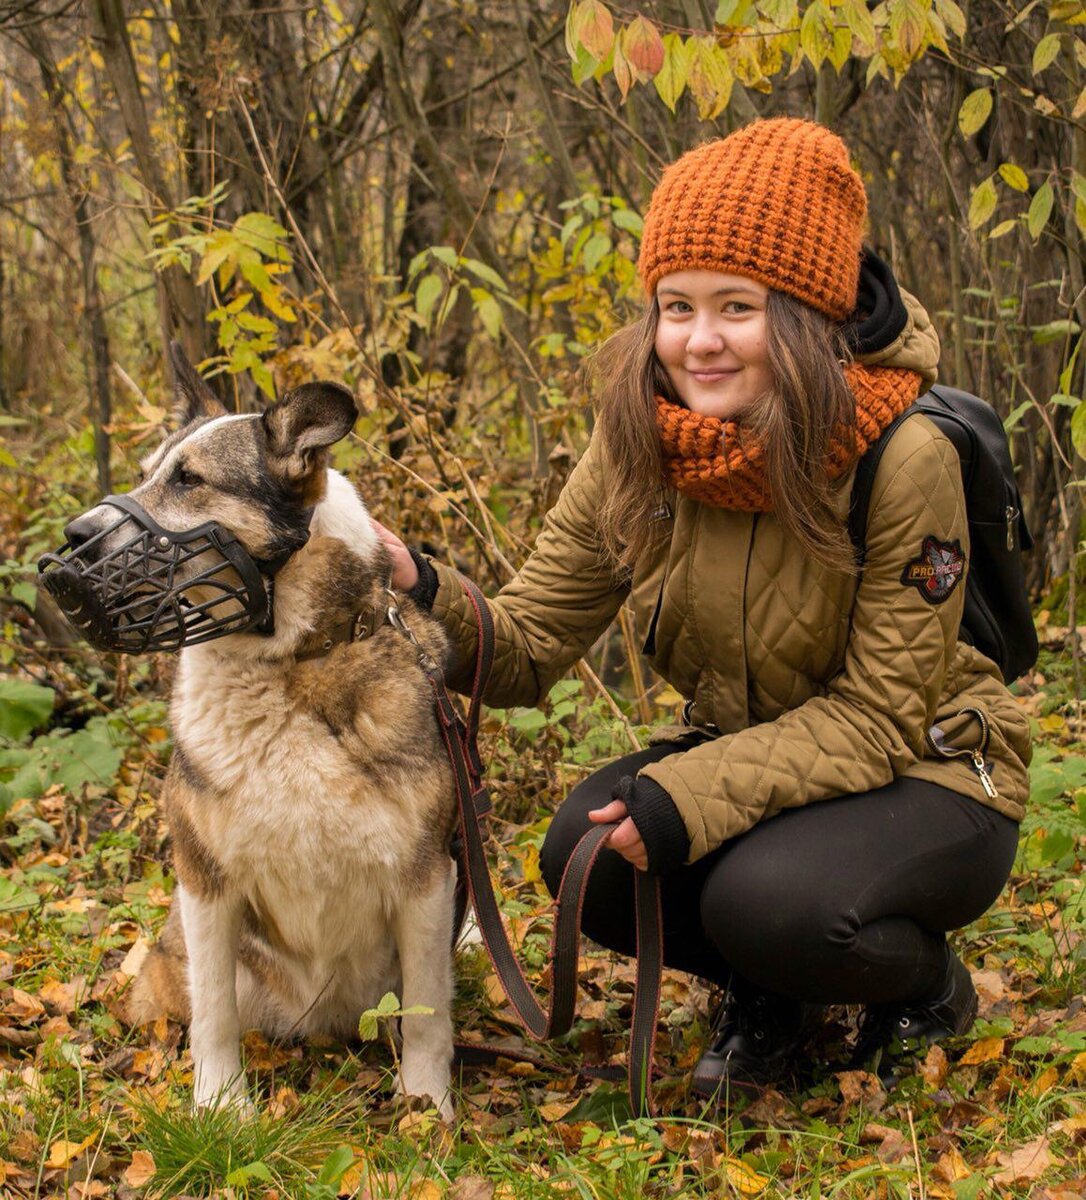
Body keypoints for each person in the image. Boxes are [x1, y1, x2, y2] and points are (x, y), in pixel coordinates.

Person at [375, 117, 1031, 1095]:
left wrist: (684, 800)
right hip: (766, 756)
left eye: (739, 306)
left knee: (772, 903)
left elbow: (878, 718)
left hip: (929, 769)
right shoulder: (641, 438)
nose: (699, 340)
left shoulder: (904, 456)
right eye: (676, 305)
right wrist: (419, 588)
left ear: (811, 314)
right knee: (583, 859)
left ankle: (924, 989)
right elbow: (527, 645)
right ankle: (774, 998)